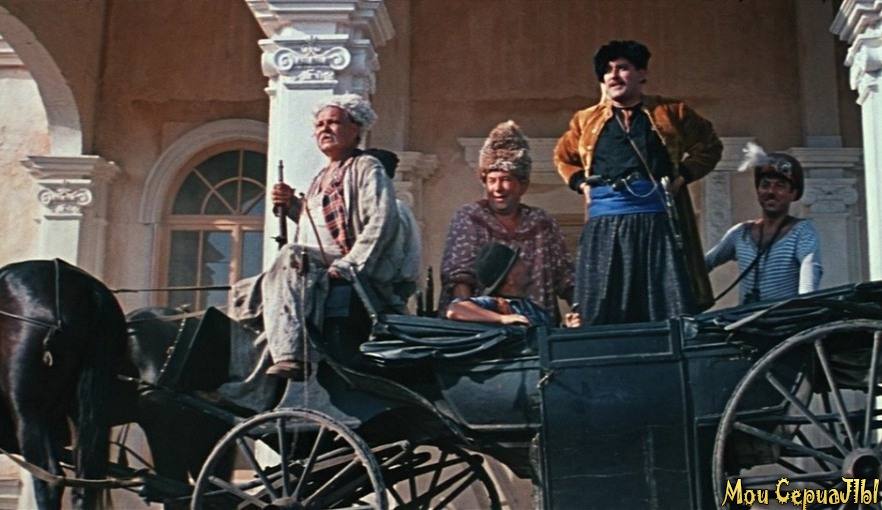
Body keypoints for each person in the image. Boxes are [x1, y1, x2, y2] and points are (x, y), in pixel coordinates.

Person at [554, 39, 722, 325]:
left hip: (655, 222)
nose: (614, 76)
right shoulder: (584, 120)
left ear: (642, 73)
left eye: (623, 68)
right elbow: (563, 157)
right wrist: (582, 184)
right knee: (601, 308)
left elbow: (710, 146)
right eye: (608, 70)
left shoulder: (672, 112)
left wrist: (683, 176)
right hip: (605, 225)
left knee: (665, 306)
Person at [257, 93, 407, 380]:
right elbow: (317, 224)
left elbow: (381, 220)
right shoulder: (321, 176)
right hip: (317, 264)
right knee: (250, 292)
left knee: (290, 255)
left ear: (355, 129)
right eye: (320, 124)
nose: (324, 129)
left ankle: (292, 354)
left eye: (333, 122)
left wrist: (351, 264)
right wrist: (292, 205)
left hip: (348, 267)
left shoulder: (366, 167)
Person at [439, 120, 575, 323]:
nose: (498, 188)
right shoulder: (471, 217)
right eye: (491, 180)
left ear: (522, 185)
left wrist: (579, 313)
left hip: (536, 324)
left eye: (506, 179)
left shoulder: (542, 222)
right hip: (483, 328)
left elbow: (566, 276)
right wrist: (476, 319)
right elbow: (459, 277)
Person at [705, 143, 822, 304]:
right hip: (747, 317)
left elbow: (810, 268)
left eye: (780, 186)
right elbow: (704, 264)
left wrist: (804, 303)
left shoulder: (802, 231)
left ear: (793, 193)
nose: (771, 192)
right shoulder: (741, 233)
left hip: (785, 317)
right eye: (765, 185)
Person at [447, 242, 580, 328]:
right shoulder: (495, 304)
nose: (527, 264)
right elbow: (456, 309)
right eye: (519, 262)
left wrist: (567, 328)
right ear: (510, 278)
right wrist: (502, 318)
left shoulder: (534, 310)